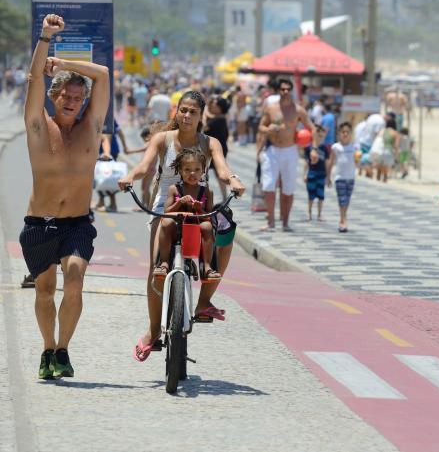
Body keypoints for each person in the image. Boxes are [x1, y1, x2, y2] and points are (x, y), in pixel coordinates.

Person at [118, 90, 245, 362]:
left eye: (193, 112)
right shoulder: (163, 139)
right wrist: (129, 175)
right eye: (183, 110)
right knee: (154, 269)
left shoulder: (210, 143)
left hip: (199, 203)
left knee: (225, 234)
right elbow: (144, 166)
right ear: (177, 112)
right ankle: (153, 331)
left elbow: (222, 169)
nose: (187, 116)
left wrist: (233, 180)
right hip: (166, 204)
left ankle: (204, 301)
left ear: (202, 117)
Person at [19, 14, 109, 379]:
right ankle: (46, 349)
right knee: (45, 290)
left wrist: (66, 63)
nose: (72, 101)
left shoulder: (92, 127)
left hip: (76, 224)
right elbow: (32, 82)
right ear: (53, 97)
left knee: (74, 279)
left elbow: (101, 73)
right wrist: (45, 39)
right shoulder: (39, 126)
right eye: (65, 96)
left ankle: (63, 349)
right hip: (39, 224)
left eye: (77, 96)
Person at [257, 77, 313, 231]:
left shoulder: (298, 110)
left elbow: (311, 128)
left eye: (288, 89)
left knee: (288, 187)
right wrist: (268, 130)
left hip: (290, 150)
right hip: (272, 150)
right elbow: (261, 126)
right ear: (279, 91)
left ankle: (286, 222)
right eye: (283, 89)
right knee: (268, 185)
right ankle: (271, 221)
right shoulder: (271, 108)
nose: (286, 92)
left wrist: (311, 146)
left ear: (292, 91)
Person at [154, 148, 218, 279]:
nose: (192, 173)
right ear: (180, 171)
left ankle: (207, 266)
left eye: (197, 169)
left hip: (197, 224)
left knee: (207, 226)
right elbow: (167, 211)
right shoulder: (174, 189)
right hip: (177, 224)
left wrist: (199, 208)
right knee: (165, 223)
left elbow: (209, 215)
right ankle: (164, 262)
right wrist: (179, 203)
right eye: (187, 170)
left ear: (203, 171)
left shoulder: (206, 192)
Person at [327, 121, 357, 233]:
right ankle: (343, 220)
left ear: (350, 134)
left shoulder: (353, 147)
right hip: (339, 177)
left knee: (347, 200)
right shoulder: (336, 147)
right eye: (343, 132)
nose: (345, 134)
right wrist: (328, 176)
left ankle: (343, 218)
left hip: (351, 177)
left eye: (347, 132)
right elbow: (331, 161)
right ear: (339, 133)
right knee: (342, 200)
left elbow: (356, 162)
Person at [304, 125, 330, 221]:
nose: (320, 138)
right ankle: (309, 213)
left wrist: (328, 176)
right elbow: (306, 162)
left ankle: (319, 214)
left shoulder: (325, 149)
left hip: (321, 173)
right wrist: (305, 173)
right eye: (318, 135)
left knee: (321, 195)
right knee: (311, 194)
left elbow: (327, 163)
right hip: (311, 172)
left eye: (322, 136)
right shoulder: (308, 148)